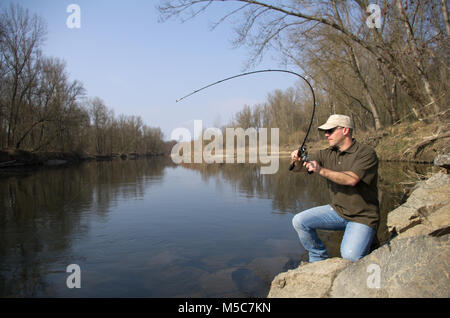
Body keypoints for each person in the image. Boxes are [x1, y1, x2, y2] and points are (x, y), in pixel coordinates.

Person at [290, 114, 379, 262]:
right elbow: (299, 169)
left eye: (330, 131)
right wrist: (297, 161)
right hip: (338, 211)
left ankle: (370, 241)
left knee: (350, 256)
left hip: (363, 217)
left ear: (345, 130)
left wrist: (321, 170)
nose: (326, 134)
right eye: (326, 131)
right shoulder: (326, 154)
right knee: (299, 221)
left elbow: (351, 179)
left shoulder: (366, 153)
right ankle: (318, 257)